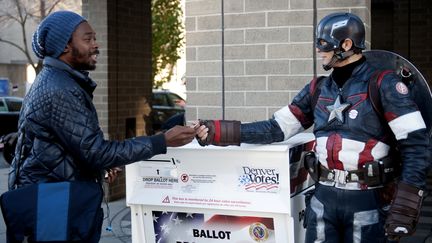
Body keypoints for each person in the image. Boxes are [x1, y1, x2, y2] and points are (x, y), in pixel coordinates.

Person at [195, 12, 430, 242]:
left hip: (369, 201)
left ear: (346, 44)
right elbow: (275, 128)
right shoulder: (317, 89)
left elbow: (417, 146)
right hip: (322, 200)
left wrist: (406, 205)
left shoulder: (385, 84)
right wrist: (216, 131)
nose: (318, 50)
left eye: (323, 43)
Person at [8, 10, 196, 242]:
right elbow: (96, 151)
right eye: (88, 39)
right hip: (55, 206)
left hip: (57, 199)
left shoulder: (57, 80)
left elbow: (75, 149)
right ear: (64, 46)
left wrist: (97, 167)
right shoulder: (60, 89)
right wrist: (162, 141)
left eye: (95, 38)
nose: (96, 45)